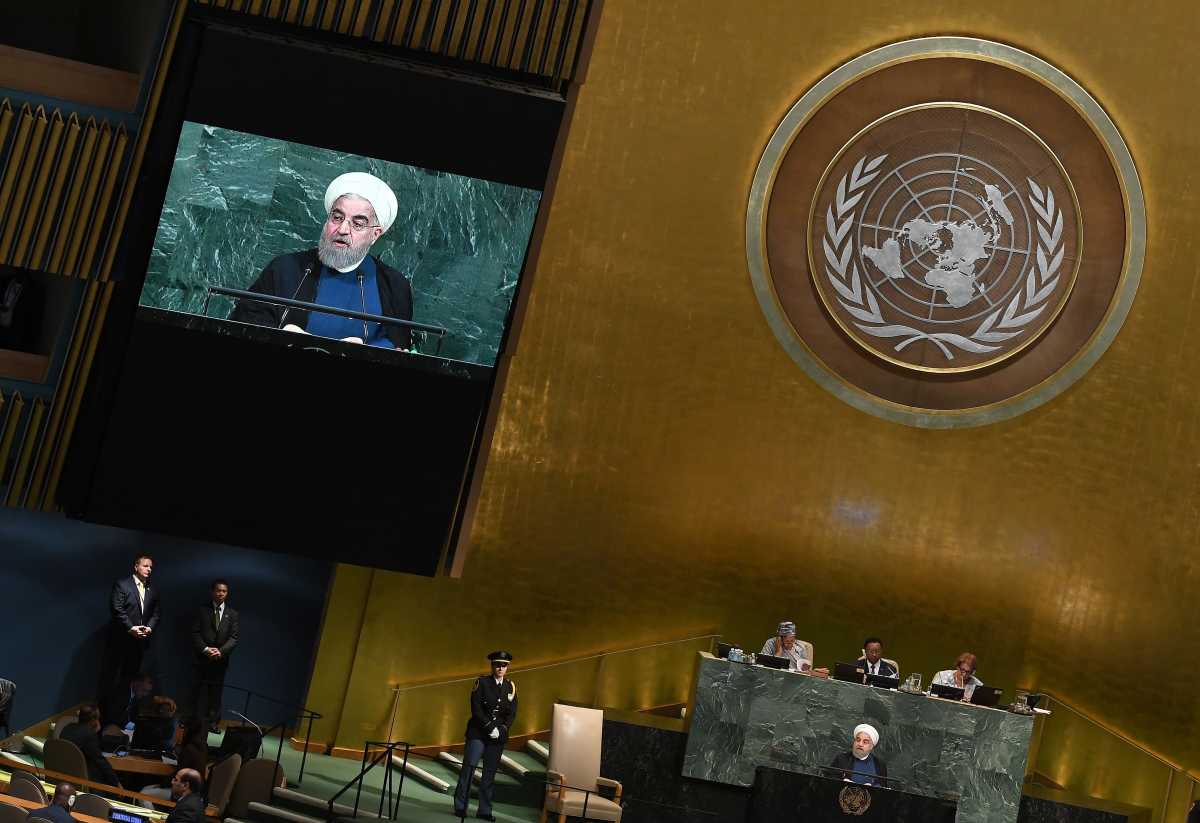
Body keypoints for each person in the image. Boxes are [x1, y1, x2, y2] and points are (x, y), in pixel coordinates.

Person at [229, 172, 414, 349]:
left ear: (375, 235)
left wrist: (363, 351)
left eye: (357, 223)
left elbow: (398, 346)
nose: (342, 229)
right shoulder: (285, 269)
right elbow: (244, 322)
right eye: (337, 217)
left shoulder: (395, 286)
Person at [453, 651, 518, 822]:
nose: (500, 668)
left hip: (497, 737)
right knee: (469, 768)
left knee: (489, 774)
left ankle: (484, 810)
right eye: (497, 664)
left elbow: (512, 712)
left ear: (507, 667)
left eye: (504, 665)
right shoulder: (481, 683)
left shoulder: (510, 686)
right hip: (478, 733)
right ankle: (461, 806)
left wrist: (503, 728)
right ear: (492, 666)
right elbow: (476, 709)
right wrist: (489, 727)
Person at [100, 554, 161, 724]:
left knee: (130, 680)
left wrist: (149, 628)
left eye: (150, 567)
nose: (148, 569)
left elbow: (156, 613)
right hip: (120, 642)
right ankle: (106, 718)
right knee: (112, 679)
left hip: (139, 643)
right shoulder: (122, 584)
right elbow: (117, 609)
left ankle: (123, 717)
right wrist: (131, 628)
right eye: (145, 566)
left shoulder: (152, 590)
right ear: (136, 567)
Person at [191, 579, 239, 731]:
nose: (221, 593)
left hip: (220, 659)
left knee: (216, 692)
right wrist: (205, 649)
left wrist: (221, 651)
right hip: (202, 657)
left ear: (227, 593)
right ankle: (194, 720)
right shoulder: (201, 610)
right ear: (212, 592)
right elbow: (195, 632)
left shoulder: (232, 614)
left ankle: (212, 722)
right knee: (197, 689)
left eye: (224, 591)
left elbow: (234, 637)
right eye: (218, 590)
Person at [60, 704, 122, 788]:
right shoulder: (89, 734)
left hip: (62, 773)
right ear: (93, 720)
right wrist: (117, 783)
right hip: (82, 778)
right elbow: (100, 760)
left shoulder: (67, 728)